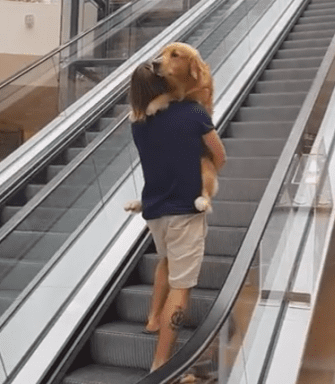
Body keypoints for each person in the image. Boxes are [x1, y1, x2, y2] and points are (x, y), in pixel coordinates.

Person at [128, 62, 226, 372]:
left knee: (166, 262)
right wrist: (206, 171)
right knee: (181, 288)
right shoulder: (194, 114)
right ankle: (162, 362)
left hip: (155, 211)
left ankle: (153, 318)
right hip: (186, 209)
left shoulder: (137, 123)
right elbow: (220, 154)